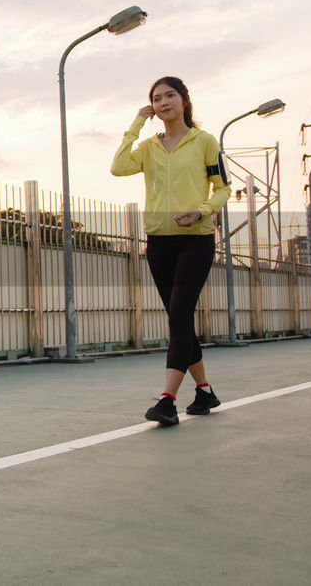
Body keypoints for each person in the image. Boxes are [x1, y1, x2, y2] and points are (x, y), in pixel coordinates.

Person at [111, 76, 231, 425]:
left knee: (179, 317)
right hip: (159, 242)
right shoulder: (148, 147)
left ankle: (167, 400)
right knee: (180, 321)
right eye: (157, 98)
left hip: (196, 239)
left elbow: (223, 188)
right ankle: (205, 391)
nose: (164, 102)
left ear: (184, 100)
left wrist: (203, 211)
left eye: (170, 95)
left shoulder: (204, 141)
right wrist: (136, 123)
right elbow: (118, 167)